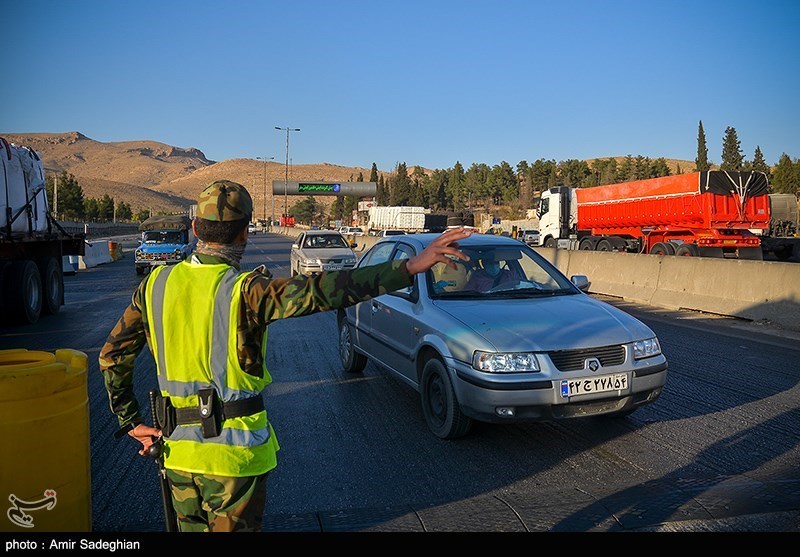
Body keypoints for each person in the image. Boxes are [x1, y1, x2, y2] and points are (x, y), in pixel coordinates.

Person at [98, 180, 472, 532]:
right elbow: (325, 290)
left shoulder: (153, 286)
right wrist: (407, 268)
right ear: (245, 232)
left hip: (177, 455)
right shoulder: (249, 292)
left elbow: (112, 357)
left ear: (195, 228)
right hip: (235, 463)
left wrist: (131, 420)